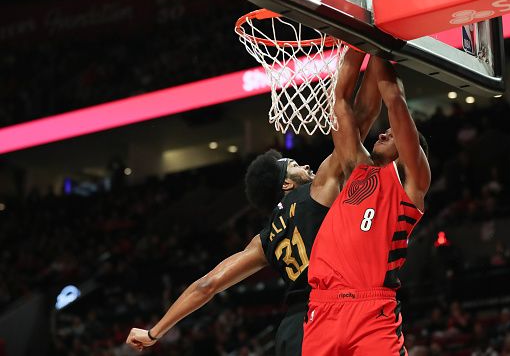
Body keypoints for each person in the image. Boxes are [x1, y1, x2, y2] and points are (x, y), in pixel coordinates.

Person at [125, 52, 383, 355]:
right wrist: (377, 52)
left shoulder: (264, 240)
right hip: (331, 314)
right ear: (286, 184)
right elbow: (362, 116)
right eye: (295, 165)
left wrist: (154, 332)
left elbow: (207, 286)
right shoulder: (318, 188)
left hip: (292, 332)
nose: (307, 167)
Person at [302, 52, 431, 355]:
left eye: (393, 133)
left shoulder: (412, 183)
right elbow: (341, 102)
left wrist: (381, 45)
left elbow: (395, 101)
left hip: (373, 311)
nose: (384, 131)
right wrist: (357, 42)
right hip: (323, 306)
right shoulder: (357, 169)